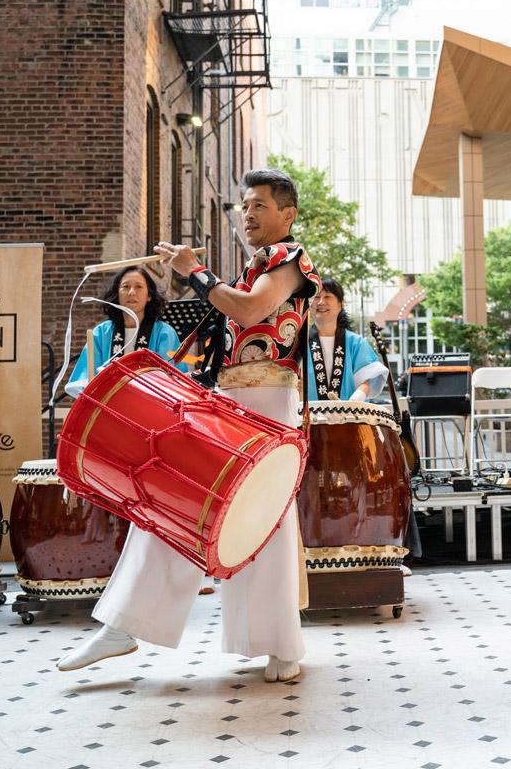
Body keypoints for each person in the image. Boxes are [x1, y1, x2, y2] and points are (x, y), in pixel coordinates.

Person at [57, 168, 321, 683]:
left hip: (268, 400)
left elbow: (250, 312)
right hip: (228, 399)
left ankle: (280, 644)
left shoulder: (290, 259)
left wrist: (196, 272)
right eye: (244, 205)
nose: (247, 214)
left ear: (287, 214)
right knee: (171, 502)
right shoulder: (251, 266)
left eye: (259, 206)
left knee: (262, 519)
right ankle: (123, 622)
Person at [65, 266, 186, 397]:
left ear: (149, 295)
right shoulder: (101, 333)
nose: (131, 292)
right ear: (117, 293)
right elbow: (83, 381)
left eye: (138, 287)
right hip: (108, 408)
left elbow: (174, 381)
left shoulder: (164, 333)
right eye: (125, 286)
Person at [306, 277, 389, 402]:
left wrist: (354, 403)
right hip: (308, 417)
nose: (321, 302)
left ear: (340, 304)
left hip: (350, 417)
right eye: (316, 297)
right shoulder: (299, 341)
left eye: (328, 297)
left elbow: (366, 380)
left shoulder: (356, 343)